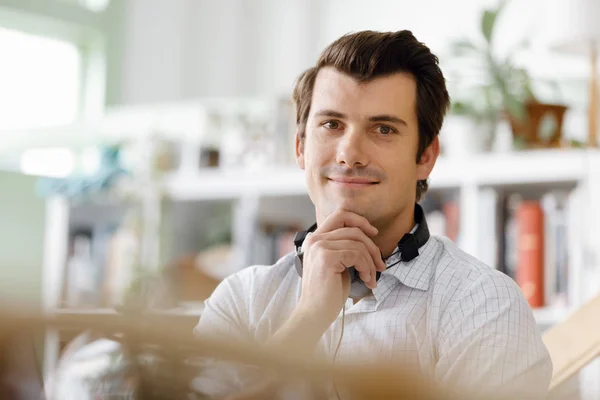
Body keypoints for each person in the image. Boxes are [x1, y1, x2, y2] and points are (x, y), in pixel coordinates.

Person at [193, 30, 552, 399]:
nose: (350, 154)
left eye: (383, 129)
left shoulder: (484, 304)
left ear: (425, 156)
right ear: (300, 147)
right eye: (331, 124)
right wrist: (307, 319)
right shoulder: (243, 299)